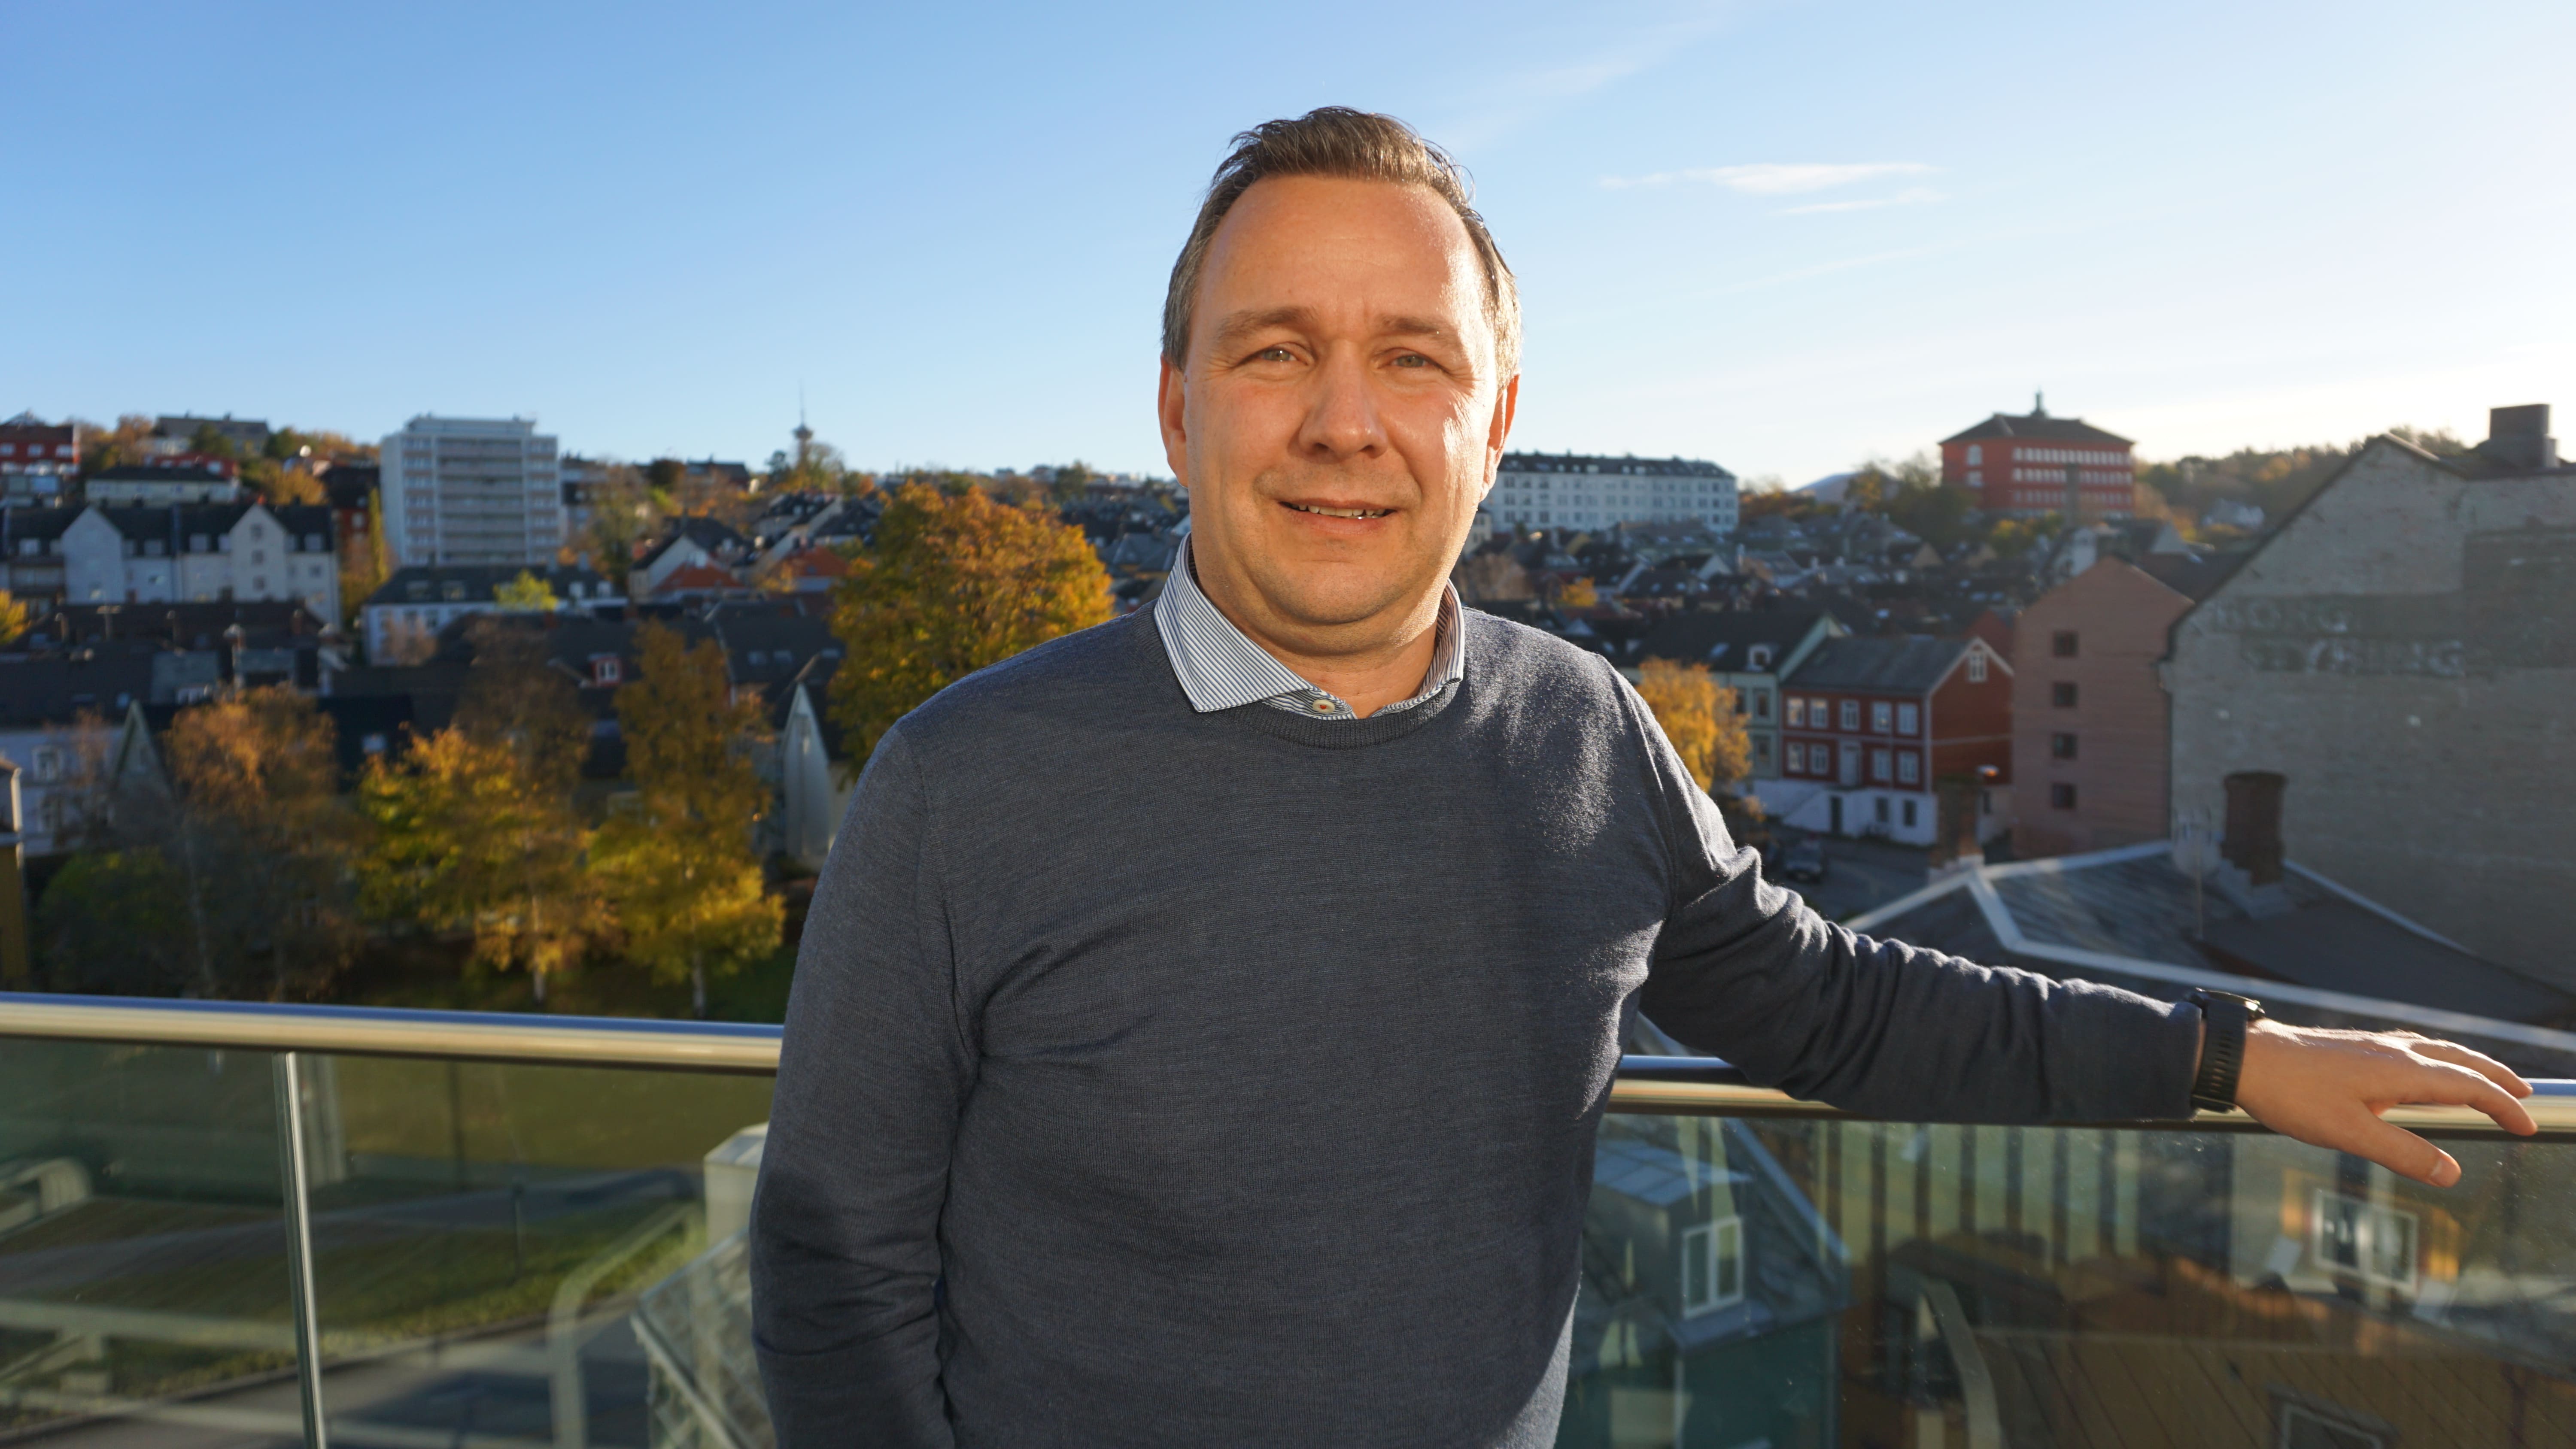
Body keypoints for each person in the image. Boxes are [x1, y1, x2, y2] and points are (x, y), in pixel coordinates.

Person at [750, 108, 2536, 1447]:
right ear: (1176, 408)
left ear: (1495, 425)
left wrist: (2231, 1054)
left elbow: (1838, 1009)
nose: (1345, 421)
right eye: (1275, 349)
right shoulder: (963, 785)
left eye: (1413, 359)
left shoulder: (1584, 733)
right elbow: (837, 1272)